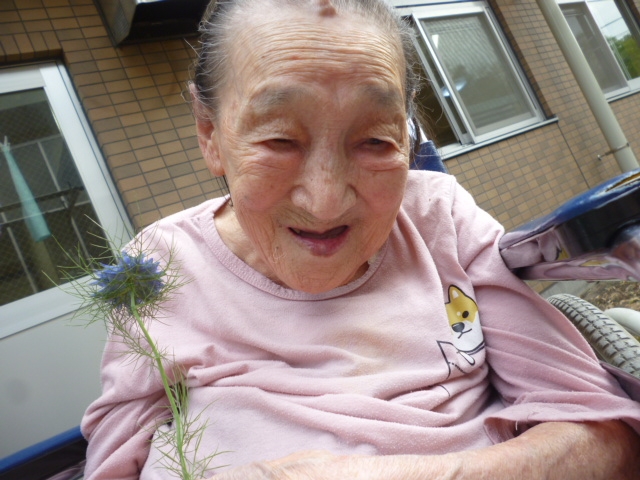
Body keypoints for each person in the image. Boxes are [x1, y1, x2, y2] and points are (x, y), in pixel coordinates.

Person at [81, 0, 640, 478]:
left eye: (375, 140)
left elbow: (608, 437)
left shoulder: (438, 219)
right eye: (279, 140)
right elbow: (117, 456)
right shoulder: (159, 265)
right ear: (210, 134)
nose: (325, 202)